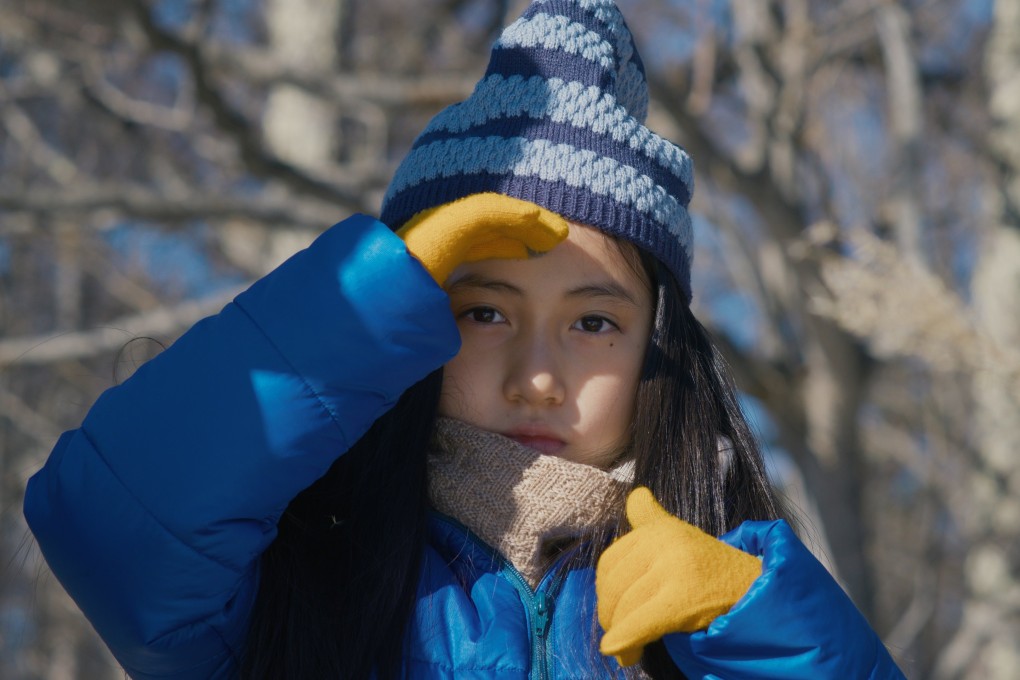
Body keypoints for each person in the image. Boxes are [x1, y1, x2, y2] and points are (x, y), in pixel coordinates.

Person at [24, 1, 906, 678]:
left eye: (594, 322)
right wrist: (368, 297)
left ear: (658, 349)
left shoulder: (718, 610)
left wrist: (754, 627)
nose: (535, 377)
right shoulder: (300, 575)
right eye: (481, 311)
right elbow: (109, 521)